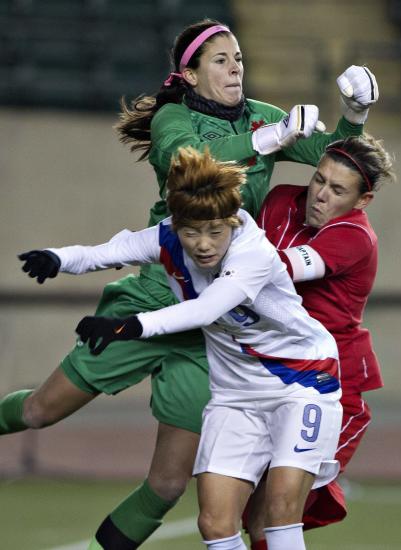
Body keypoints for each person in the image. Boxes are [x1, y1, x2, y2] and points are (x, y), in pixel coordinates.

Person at [0, 17, 378, 549]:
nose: (235, 69)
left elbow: (335, 160)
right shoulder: (175, 118)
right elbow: (188, 165)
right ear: (190, 73)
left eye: (240, 60)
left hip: (219, 326)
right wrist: (270, 138)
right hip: (162, 287)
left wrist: (355, 115)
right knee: (41, 410)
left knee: (168, 484)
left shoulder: (261, 123)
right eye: (221, 61)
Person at [34, 146, 344, 550]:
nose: (202, 244)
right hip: (235, 394)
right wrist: (57, 258)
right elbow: (109, 252)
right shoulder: (167, 237)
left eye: (215, 231)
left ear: (232, 222)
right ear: (176, 224)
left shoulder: (253, 252)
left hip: (303, 382)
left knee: (279, 511)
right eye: (191, 231)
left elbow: (206, 309)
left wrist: (129, 326)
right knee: (215, 524)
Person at [242, 134, 395, 550]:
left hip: (333, 387)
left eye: (338, 189)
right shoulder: (279, 201)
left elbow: (279, 269)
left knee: (277, 512)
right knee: (235, 511)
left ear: (362, 202)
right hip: (274, 375)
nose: (321, 195)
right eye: (319, 179)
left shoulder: (355, 236)